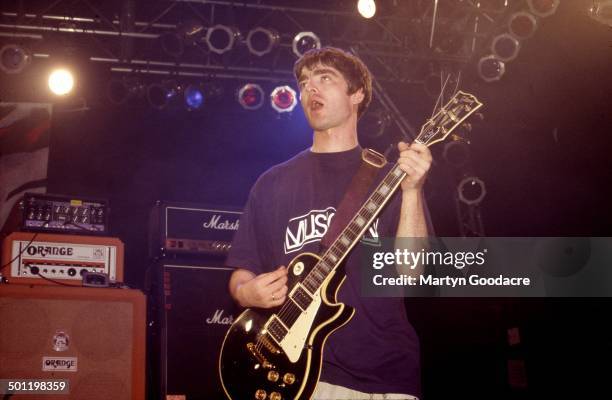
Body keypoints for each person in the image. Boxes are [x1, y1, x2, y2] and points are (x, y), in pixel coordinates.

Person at [226, 47, 432, 400]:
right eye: (305, 83)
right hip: (291, 373)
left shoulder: (390, 178)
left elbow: (412, 275)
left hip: (381, 375)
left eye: (325, 79)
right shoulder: (272, 183)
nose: (311, 90)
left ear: (357, 94)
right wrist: (248, 292)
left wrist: (412, 191)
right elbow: (241, 272)